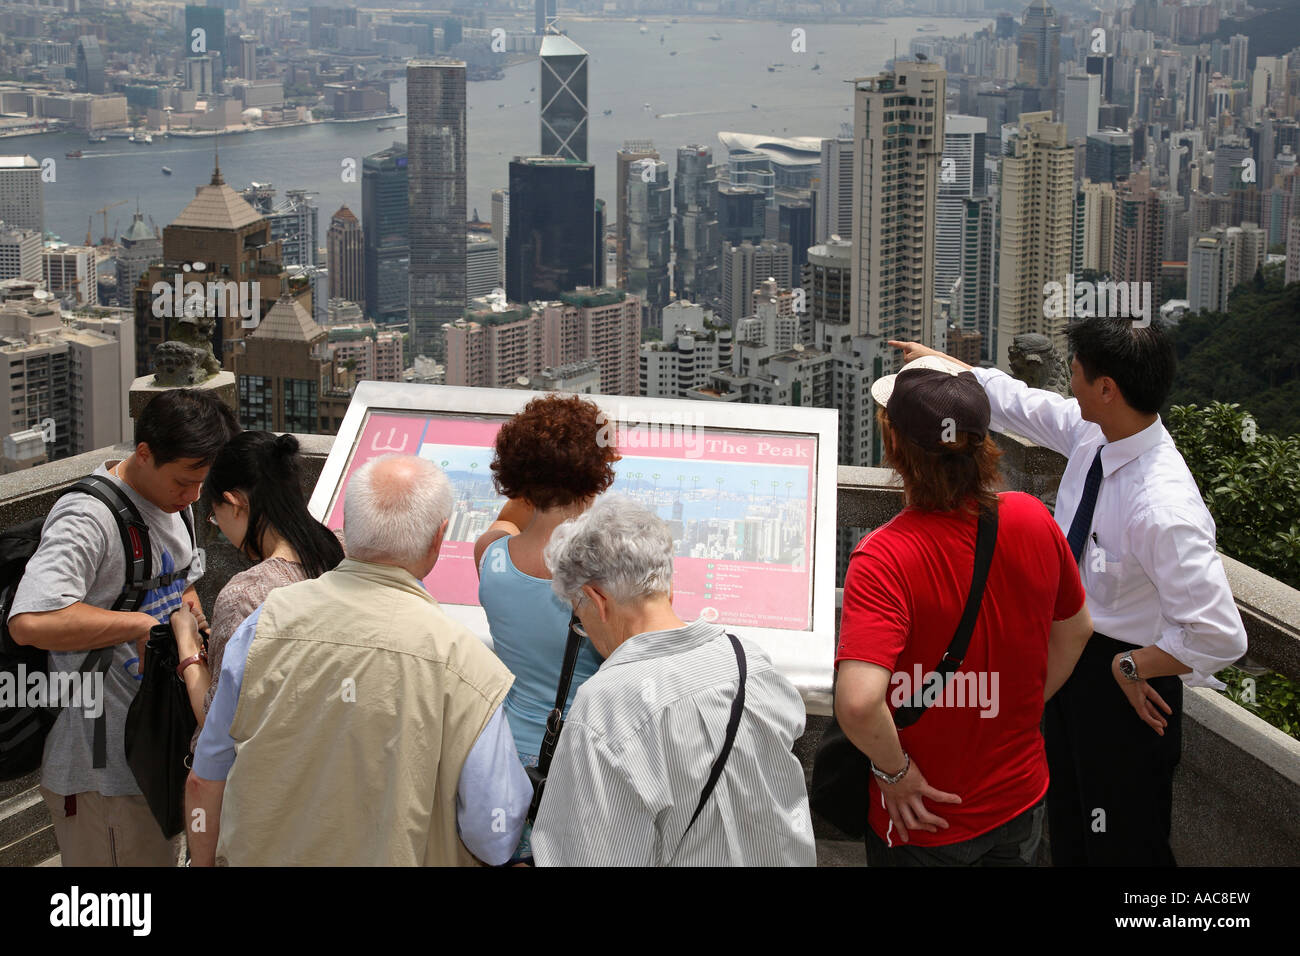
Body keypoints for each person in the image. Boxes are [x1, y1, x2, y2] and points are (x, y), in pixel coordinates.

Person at [892, 318, 1248, 866]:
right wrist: (947, 370)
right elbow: (1021, 403)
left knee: (1126, 842)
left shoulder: (1162, 505)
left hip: (1123, 681)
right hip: (1070, 656)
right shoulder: (1099, 436)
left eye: (1077, 374)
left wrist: (1132, 667)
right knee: (1073, 826)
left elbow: (1219, 634)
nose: (1070, 385)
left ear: (1107, 389)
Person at [186, 454, 531, 866]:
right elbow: (492, 834)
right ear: (440, 538)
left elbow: (207, 778)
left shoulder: (263, 624)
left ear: (348, 524)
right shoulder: (465, 664)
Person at [835, 356, 1093, 867]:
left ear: (896, 450)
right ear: (984, 446)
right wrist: (1022, 704)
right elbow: (1078, 627)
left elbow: (860, 704)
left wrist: (894, 773)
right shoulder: (1032, 518)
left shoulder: (885, 558)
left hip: (924, 816)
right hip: (1020, 795)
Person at [8, 388, 240, 866]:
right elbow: (30, 621)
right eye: (183, 481)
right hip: (100, 765)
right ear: (144, 453)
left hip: (156, 748)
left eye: (202, 482)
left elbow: (184, 583)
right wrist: (137, 622)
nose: (193, 496)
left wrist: (191, 622)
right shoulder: (87, 519)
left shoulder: (179, 503)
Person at [531, 496, 816, 866]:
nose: (586, 630)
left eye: (579, 618)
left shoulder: (604, 706)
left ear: (596, 599)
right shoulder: (750, 662)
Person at [473, 393, 617, 861]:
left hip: (510, 761)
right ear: (595, 475)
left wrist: (534, 471)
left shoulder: (491, 553)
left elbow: (510, 519)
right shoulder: (607, 576)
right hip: (583, 763)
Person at [168, 431, 345, 749]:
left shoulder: (246, 595)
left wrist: (187, 646)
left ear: (235, 504)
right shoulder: (344, 551)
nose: (217, 525)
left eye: (214, 515)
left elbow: (216, 722)